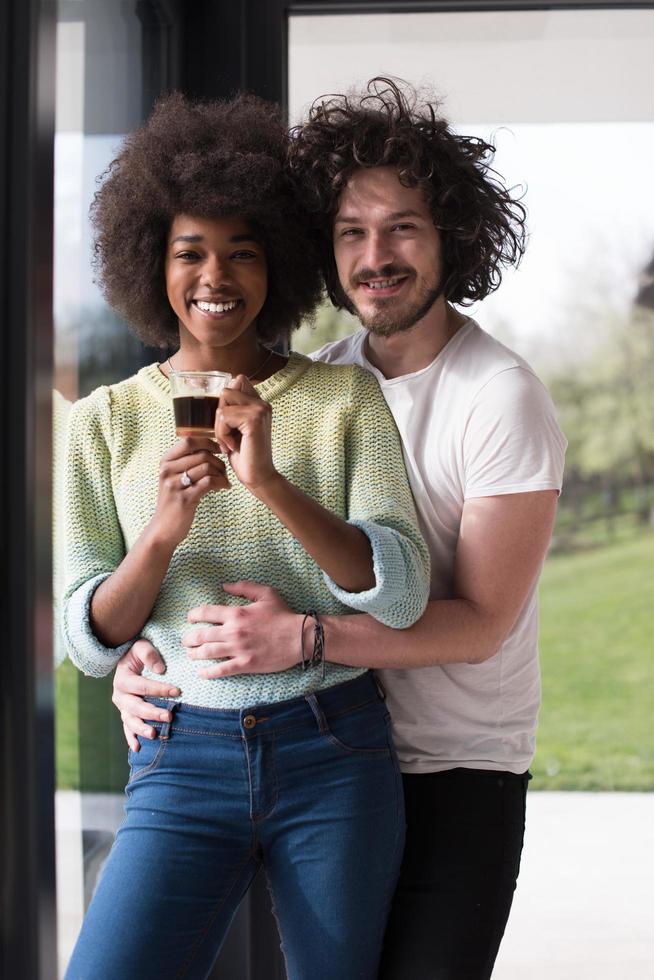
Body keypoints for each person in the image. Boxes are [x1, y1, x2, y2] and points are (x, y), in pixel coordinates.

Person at [112, 78, 567, 979]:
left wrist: (307, 636)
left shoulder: (499, 397)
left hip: (454, 770)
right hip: (325, 751)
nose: (376, 255)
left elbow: (481, 623)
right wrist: (143, 660)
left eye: (402, 227)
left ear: (452, 239)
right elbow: (234, 549)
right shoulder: (320, 382)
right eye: (352, 233)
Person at [61, 90, 431, 980]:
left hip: (333, 751)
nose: (214, 276)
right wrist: (161, 533)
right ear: (152, 261)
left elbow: (405, 590)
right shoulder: (102, 421)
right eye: (190, 252)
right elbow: (89, 635)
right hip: (179, 759)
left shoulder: (344, 400)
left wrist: (268, 484)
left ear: (282, 266)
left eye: (243, 252)